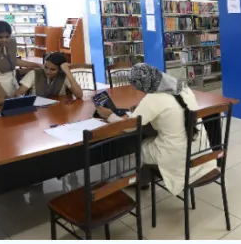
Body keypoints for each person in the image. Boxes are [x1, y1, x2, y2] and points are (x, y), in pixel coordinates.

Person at [95, 63, 216, 196]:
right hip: (198, 149)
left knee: (138, 146)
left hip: (176, 157)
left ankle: (133, 181)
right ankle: (144, 179)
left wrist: (109, 115)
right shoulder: (183, 87)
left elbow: (129, 127)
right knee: (151, 138)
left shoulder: (153, 98)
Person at [15, 52, 84, 99]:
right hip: (37, 112)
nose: (48, 71)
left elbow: (79, 95)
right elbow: (18, 94)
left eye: (52, 69)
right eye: (46, 67)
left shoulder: (64, 75)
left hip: (57, 111)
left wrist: (68, 72)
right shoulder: (33, 74)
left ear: (60, 70)